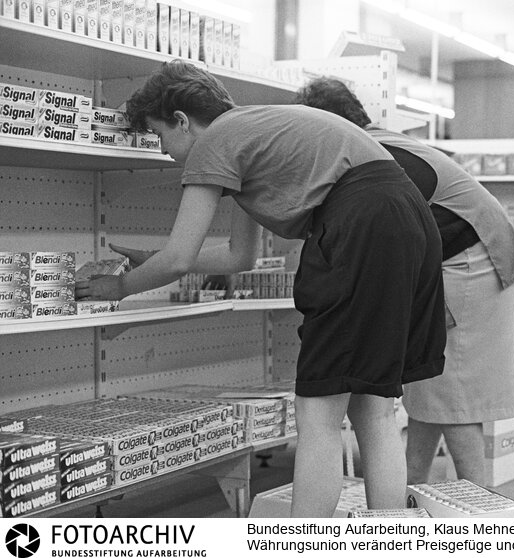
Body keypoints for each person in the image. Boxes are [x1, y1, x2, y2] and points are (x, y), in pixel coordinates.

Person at [75, 61, 447, 517]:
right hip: (408, 222)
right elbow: (238, 256)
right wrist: (152, 261)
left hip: (360, 225)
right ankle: (387, 539)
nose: (167, 153)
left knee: (317, 415)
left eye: (160, 137)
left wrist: (120, 285)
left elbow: (180, 258)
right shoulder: (253, 132)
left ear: (181, 121)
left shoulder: (215, 142)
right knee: (374, 407)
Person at [295, 77, 514, 486]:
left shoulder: (375, 155)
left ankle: (478, 515)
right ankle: (413, 495)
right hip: (470, 258)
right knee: (430, 388)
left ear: (327, 125)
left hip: (471, 261)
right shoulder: (377, 144)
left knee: (455, 398)